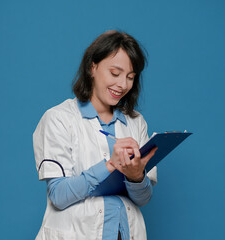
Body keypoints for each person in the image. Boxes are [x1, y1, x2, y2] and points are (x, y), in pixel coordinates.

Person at [33, 30, 157, 240]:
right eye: (115, 73)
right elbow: (59, 195)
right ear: (93, 67)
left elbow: (143, 199)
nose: (122, 85)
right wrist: (110, 165)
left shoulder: (136, 123)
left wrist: (136, 177)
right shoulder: (59, 119)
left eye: (130, 77)